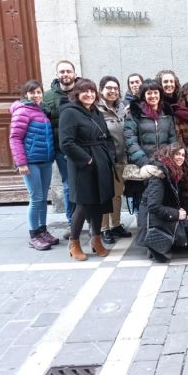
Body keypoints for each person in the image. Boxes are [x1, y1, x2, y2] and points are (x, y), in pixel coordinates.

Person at [59, 79, 116, 261]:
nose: (89, 94)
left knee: (100, 203)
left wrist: (110, 155)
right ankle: (74, 243)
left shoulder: (95, 112)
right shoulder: (69, 113)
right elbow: (66, 143)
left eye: (92, 91)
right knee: (83, 204)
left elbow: (106, 136)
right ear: (77, 93)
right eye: (85, 91)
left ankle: (96, 240)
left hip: (101, 161)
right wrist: (87, 159)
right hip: (82, 164)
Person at [9, 80, 57, 251]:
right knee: (36, 198)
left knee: (43, 197)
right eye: (32, 92)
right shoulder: (22, 111)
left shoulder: (41, 111)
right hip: (30, 162)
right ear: (25, 94)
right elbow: (15, 138)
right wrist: (21, 162)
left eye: (38, 92)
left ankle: (42, 230)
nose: (36, 95)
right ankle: (33, 235)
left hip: (45, 160)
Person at [138, 143, 188, 262]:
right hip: (152, 219)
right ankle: (157, 243)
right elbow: (153, 206)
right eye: (177, 154)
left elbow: (181, 198)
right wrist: (177, 214)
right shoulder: (160, 175)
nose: (180, 157)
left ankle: (165, 242)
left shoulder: (175, 172)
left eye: (183, 155)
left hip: (164, 214)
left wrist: (187, 212)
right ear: (169, 154)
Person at [42, 59, 77, 236]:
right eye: (62, 72)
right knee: (69, 185)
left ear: (74, 74)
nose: (65, 74)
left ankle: (94, 222)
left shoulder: (82, 92)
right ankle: (72, 223)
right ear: (57, 75)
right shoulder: (47, 97)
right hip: (61, 149)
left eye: (68, 71)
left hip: (83, 147)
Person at [97, 76, 130, 244]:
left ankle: (116, 224)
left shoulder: (122, 107)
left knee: (117, 194)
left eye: (115, 88)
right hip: (104, 159)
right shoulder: (96, 109)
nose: (112, 91)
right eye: (109, 88)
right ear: (101, 90)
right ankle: (104, 228)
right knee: (105, 194)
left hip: (120, 157)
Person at [124, 80, 177, 167]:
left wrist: (169, 159)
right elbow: (131, 141)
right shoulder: (135, 114)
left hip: (165, 162)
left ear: (160, 94)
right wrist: (144, 162)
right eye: (149, 93)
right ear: (144, 96)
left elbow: (172, 139)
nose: (153, 96)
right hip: (143, 163)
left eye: (156, 92)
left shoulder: (167, 114)